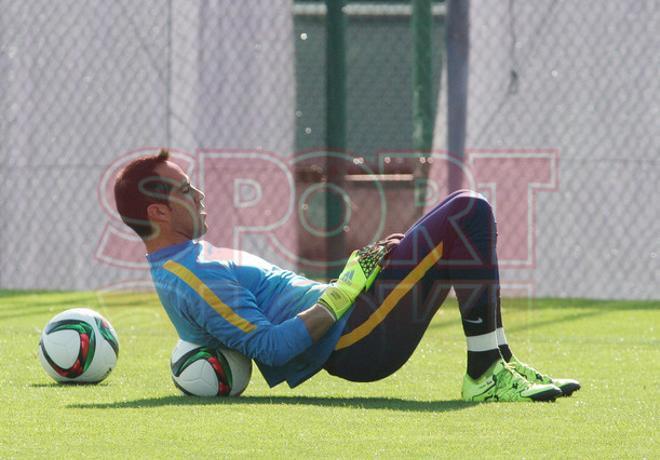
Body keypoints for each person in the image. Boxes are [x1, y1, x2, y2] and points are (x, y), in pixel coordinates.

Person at [113, 149, 580, 402]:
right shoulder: (193, 276)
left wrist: (364, 274)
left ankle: (499, 364)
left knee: (462, 220)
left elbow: (289, 298)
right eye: (184, 189)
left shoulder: (191, 260)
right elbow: (271, 347)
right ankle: (485, 373)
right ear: (158, 210)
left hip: (353, 314)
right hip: (354, 340)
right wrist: (347, 287)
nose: (198, 193)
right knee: (468, 210)